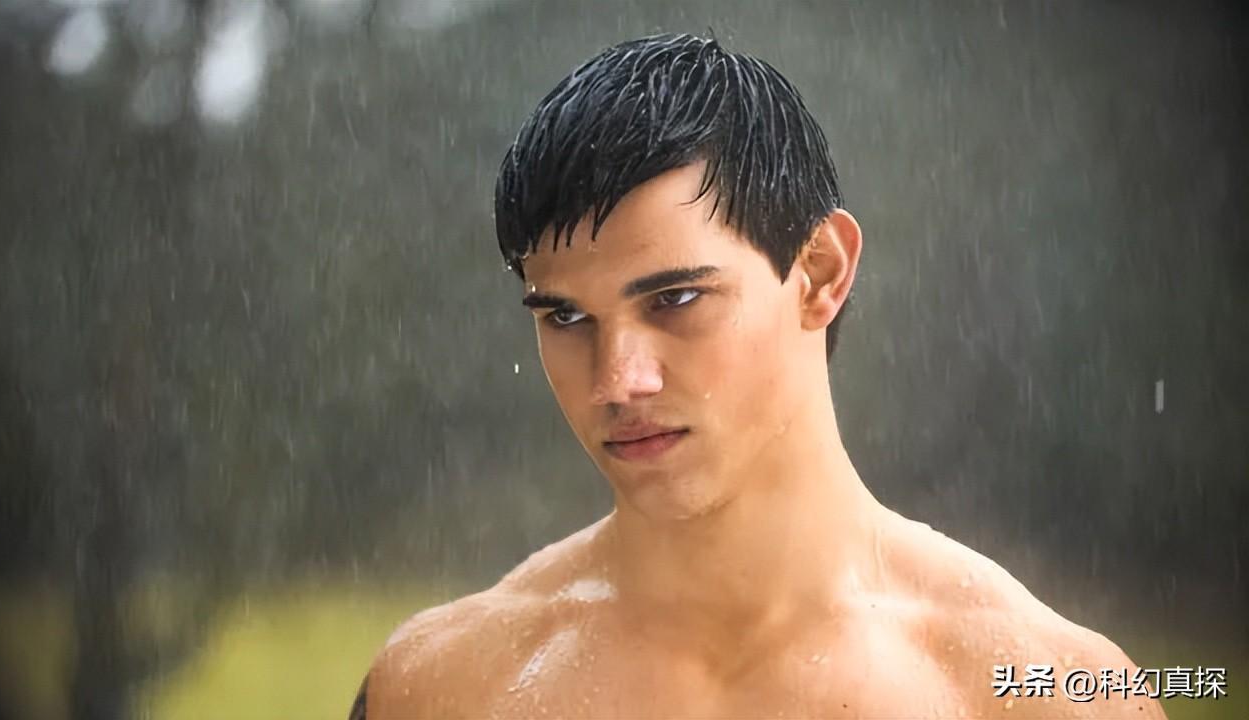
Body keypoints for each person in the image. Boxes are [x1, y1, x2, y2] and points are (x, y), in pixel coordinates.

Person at [355, 33, 1167, 719]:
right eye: (566, 317)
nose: (618, 381)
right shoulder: (444, 687)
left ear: (819, 272)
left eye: (676, 298)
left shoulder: (1045, 694)